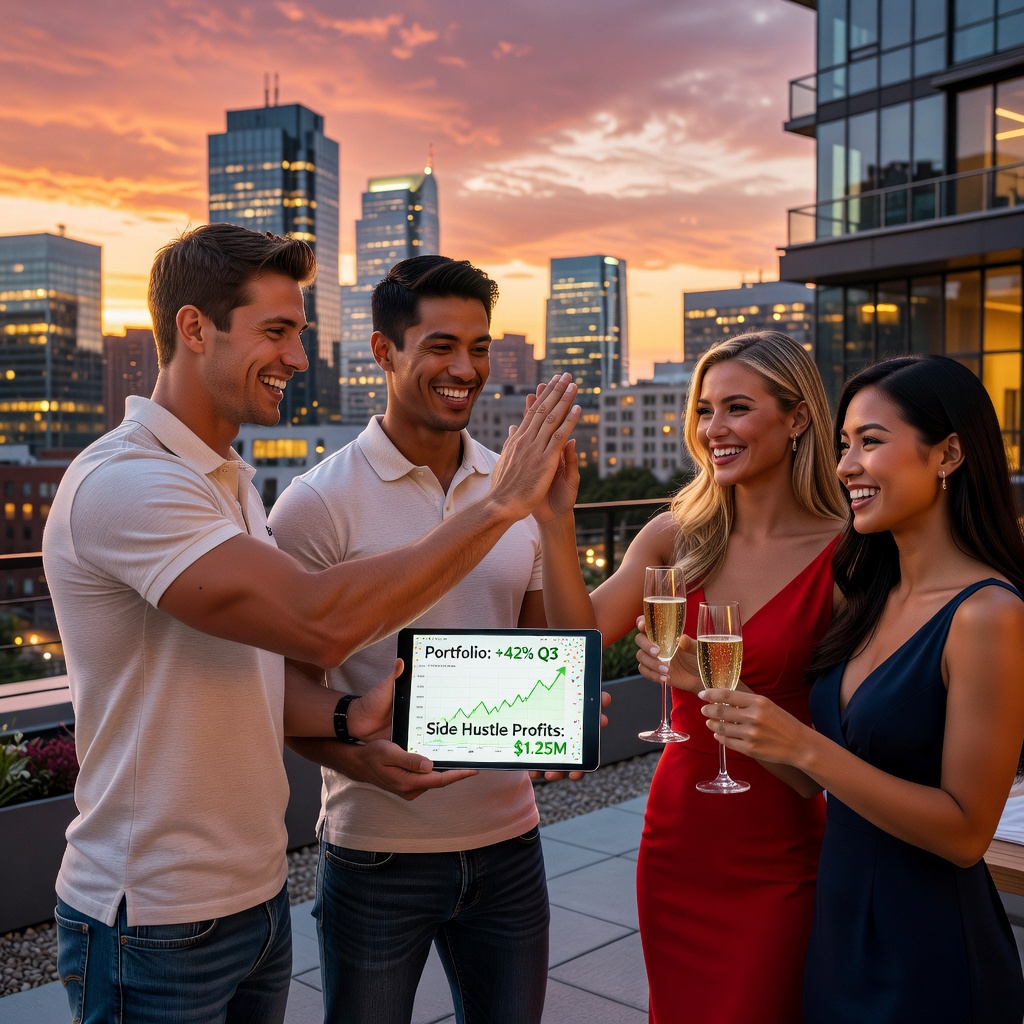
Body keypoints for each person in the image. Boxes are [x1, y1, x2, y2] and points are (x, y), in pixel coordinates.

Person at [42, 224, 580, 1024]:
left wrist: (346, 717)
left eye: (299, 332)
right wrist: (502, 504)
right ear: (195, 329)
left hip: (253, 901)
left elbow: (250, 667)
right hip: (152, 914)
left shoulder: (229, 484)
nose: (298, 356)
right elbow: (315, 625)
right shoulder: (128, 483)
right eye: (277, 331)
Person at [270, 254, 558, 1024]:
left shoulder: (517, 490)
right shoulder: (315, 504)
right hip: (375, 853)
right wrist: (355, 759)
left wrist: (565, 716)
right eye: (441, 346)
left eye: (480, 347)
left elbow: (543, 650)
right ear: (384, 351)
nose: (466, 368)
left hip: (511, 844)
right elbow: (281, 687)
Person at [536, 330, 848, 1023]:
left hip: (781, 844)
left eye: (737, 408)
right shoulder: (675, 535)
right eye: (705, 410)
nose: (713, 429)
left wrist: (706, 683)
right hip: (678, 837)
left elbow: (828, 761)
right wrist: (556, 521)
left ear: (798, 418)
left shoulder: (846, 554)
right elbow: (576, 642)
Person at [702, 355, 1024, 1023]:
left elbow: (967, 834)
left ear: (948, 454)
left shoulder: (988, 614)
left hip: (928, 952)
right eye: (844, 444)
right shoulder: (870, 594)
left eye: (870, 442)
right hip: (840, 930)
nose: (846, 465)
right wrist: (720, 698)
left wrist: (805, 745)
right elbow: (814, 779)